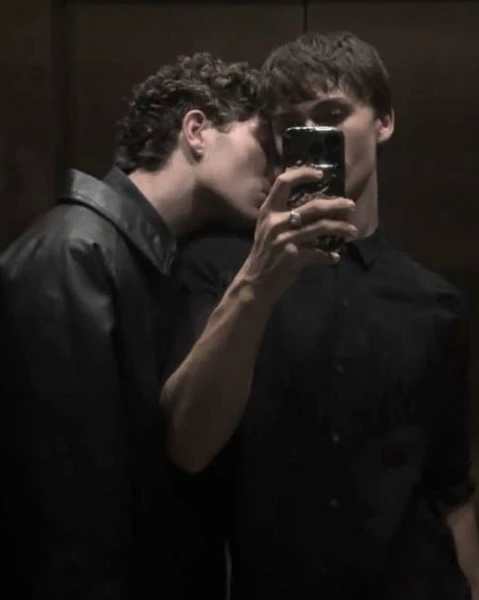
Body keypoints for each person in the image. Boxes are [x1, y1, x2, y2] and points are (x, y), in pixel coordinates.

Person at [0, 52, 357, 599]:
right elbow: (69, 510)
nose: (277, 170)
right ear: (196, 131)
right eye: (263, 143)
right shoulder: (74, 254)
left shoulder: (148, 258)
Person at [166, 32, 479, 599]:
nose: (313, 136)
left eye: (333, 115)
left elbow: (451, 492)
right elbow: (188, 445)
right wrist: (257, 282)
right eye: (292, 124)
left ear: (384, 121)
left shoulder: (434, 303)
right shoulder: (220, 271)